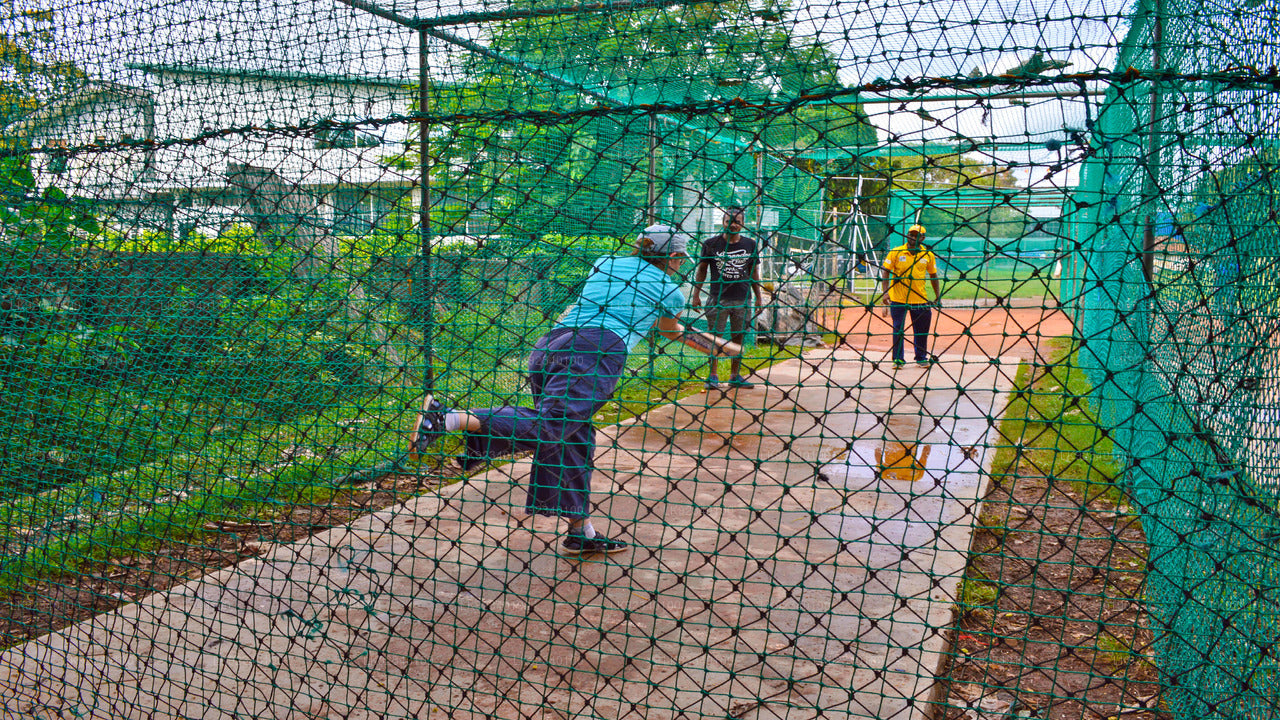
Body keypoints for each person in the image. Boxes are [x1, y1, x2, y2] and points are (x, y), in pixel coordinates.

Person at [409, 225, 742, 557]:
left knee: (574, 435)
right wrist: (721, 347)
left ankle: (580, 531)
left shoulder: (605, 264)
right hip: (596, 351)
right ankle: (448, 419)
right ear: (670, 256)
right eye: (679, 259)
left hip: (551, 346)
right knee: (552, 425)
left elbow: (642, 315)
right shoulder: (670, 290)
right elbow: (672, 331)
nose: (680, 265)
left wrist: (717, 347)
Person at [691, 205, 764, 389]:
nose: (732, 225)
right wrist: (696, 295)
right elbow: (702, 270)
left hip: (742, 299)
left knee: (738, 337)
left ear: (743, 224)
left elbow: (753, 273)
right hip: (718, 299)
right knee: (714, 337)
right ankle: (713, 376)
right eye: (729, 221)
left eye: (737, 222)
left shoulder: (750, 244)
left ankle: (734, 375)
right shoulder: (711, 243)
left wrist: (759, 298)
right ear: (723, 222)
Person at [877, 223, 942, 368]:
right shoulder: (896, 252)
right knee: (898, 328)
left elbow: (933, 275)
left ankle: (921, 357)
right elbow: (885, 271)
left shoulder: (928, 254)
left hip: (920, 299)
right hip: (898, 299)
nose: (912, 237)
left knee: (921, 330)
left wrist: (938, 296)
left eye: (916, 235)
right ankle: (898, 360)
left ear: (922, 238)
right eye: (910, 234)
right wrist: (885, 292)